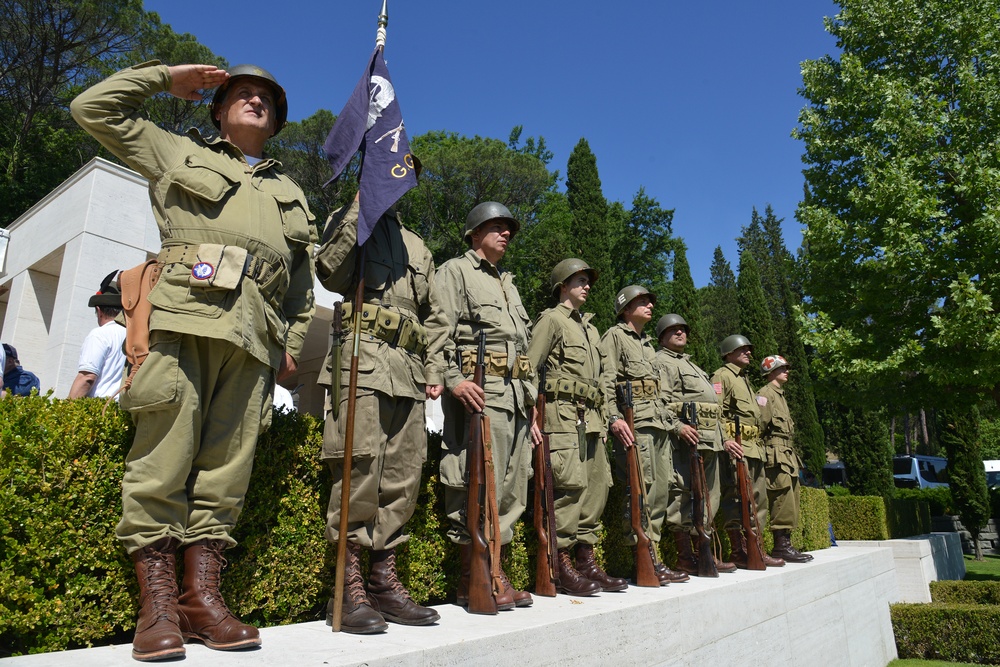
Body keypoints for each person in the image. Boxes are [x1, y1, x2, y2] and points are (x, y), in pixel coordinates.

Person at [72, 61, 316, 661]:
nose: (255, 100)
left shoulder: (292, 193)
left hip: (253, 337)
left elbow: (301, 284)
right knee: (162, 460)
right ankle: (155, 609)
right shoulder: (174, 151)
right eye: (242, 93)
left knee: (226, 473)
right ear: (217, 107)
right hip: (182, 319)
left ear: (278, 121)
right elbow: (91, 109)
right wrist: (163, 77)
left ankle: (201, 600)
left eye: (266, 98)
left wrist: (290, 337)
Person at [314, 194, 448, 633]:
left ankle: (382, 581)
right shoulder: (354, 219)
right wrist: (359, 207)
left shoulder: (418, 245)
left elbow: (437, 317)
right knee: (359, 470)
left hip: (408, 371)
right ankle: (346, 587)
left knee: (403, 477)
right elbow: (329, 270)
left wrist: (434, 368)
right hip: (361, 361)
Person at [436, 201, 540, 611]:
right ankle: (474, 575)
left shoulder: (508, 284)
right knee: (475, 481)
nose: (506, 233)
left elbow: (522, 350)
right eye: (496, 226)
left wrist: (531, 403)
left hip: (514, 396)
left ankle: (495, 565)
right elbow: (438, 331)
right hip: (480, 391)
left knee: (513, 486)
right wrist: (453, 379)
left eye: (508, 228)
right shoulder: (455, 271)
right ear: (475, 233)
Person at [525, 259, 625, 596]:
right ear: (563, 286)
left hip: (592, 419)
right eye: (579, 280)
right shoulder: (551, 320)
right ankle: (560, 563)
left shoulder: (592, 329)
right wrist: (530, 415)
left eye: (587, 281)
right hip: (562, 415)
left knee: (596, 489)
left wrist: (610, 417)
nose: (586, 286)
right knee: (567, 488)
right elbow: (528, 367)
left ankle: (586, 562)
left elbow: (602, 382)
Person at [600, 286, 689, 585]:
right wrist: (612, 417)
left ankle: (654, 554)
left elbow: (659, 391)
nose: (650, 305)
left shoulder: (649, 347)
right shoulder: (614, 336)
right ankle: (644, 555)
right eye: (642, 301)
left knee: (662, 489)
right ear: (626, 309)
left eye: (650, 301)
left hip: (659, 424)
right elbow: (607, 381)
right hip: (635, 423)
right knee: (643, 488)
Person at [654, 314, 736, 576]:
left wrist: (724, 438)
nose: (680, 333)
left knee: (710, 496)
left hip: (710, 439)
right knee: (684, 493)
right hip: (685, 440)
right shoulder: (661, 362)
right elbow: (661, 402)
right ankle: (686, 556)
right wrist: (678, 427)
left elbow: (714, 408)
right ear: (662, 336)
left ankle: (704, 552)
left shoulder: (693, 365)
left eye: (683, 329)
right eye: (673, 329)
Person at [712, 335, 784, 569]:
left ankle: (756, 548)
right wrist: (726, 440)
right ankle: (739, 550)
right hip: (737, 446)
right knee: (736, 498)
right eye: (742, 349)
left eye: (748, 349)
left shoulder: (745, 379)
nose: (748, 353)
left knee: (758, 501)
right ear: (729, 352)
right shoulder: (722, 376)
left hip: (754, 448)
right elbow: (716, 412)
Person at [758, 355, 813, 563]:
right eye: (781, 368)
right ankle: (780, 546)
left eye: (786, 368)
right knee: (781, 497)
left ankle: (785, 544)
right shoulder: (765, 394)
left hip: (786, 453)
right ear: (770, 372)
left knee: (791, 499)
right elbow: (760, 427)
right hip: (774, 453)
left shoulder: (780, 395)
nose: (786, 371)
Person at [68, 271, 127, 399]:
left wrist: (67, 408)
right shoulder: (135, 335)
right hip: (124, 410)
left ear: (99, 311)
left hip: (101, 409)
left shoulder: (100, 334)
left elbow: (87, 377)